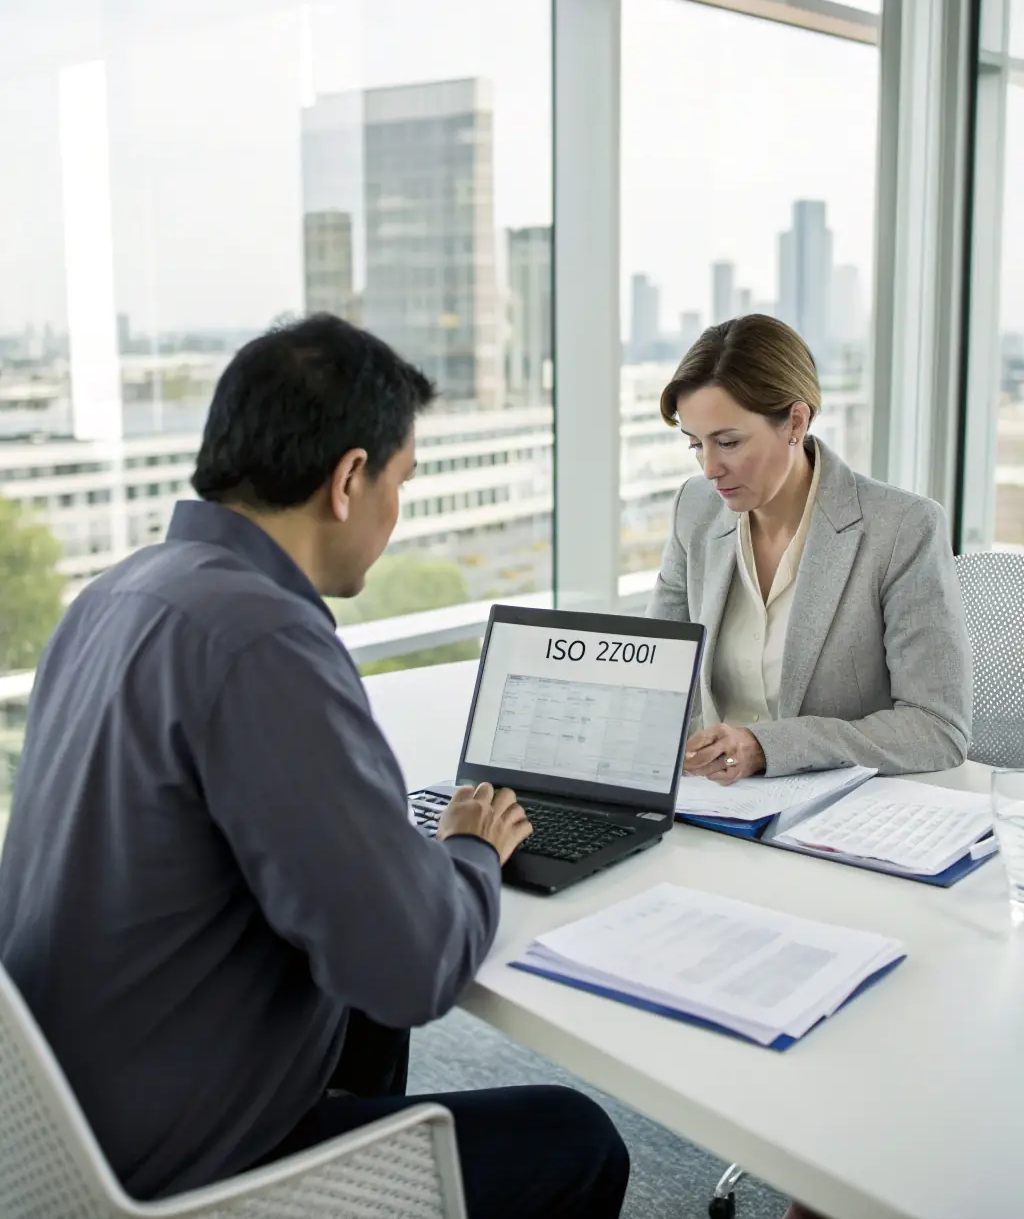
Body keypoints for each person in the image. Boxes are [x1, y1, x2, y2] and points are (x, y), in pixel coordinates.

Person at [0, 314, 629, 1219]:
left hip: (57, 1133)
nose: (395, 509)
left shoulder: (114, 594)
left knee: (363, 1009)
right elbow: (414, 968)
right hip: (183, 1176)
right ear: (347, 479)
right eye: (400, 481)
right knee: (577, 1138)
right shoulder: (260, 638)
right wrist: (470, 849)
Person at [649, 313, 972, 786]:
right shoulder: (694, 510)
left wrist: (766, 747)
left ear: (795, 422)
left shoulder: (901, 528)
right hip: (714, 803)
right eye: (696, 445)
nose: (710, 468)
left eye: (729, 442)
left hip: (840, 812)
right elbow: (656, 671)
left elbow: (938, 728)